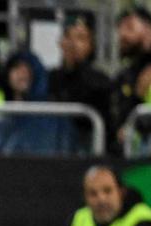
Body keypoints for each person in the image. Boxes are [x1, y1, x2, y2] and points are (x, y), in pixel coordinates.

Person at [48, 14, 112, 152]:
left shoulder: (100, 80)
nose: (73, 44)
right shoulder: (49, 78)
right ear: (61, 43)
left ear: (91, 45)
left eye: (81, 38)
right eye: (69, 37)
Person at [111, 7, 151, 153]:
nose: (122, 34)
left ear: (148, 29)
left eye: (129, 27)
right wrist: (138, 94)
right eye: (120, 29)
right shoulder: (124, 76)